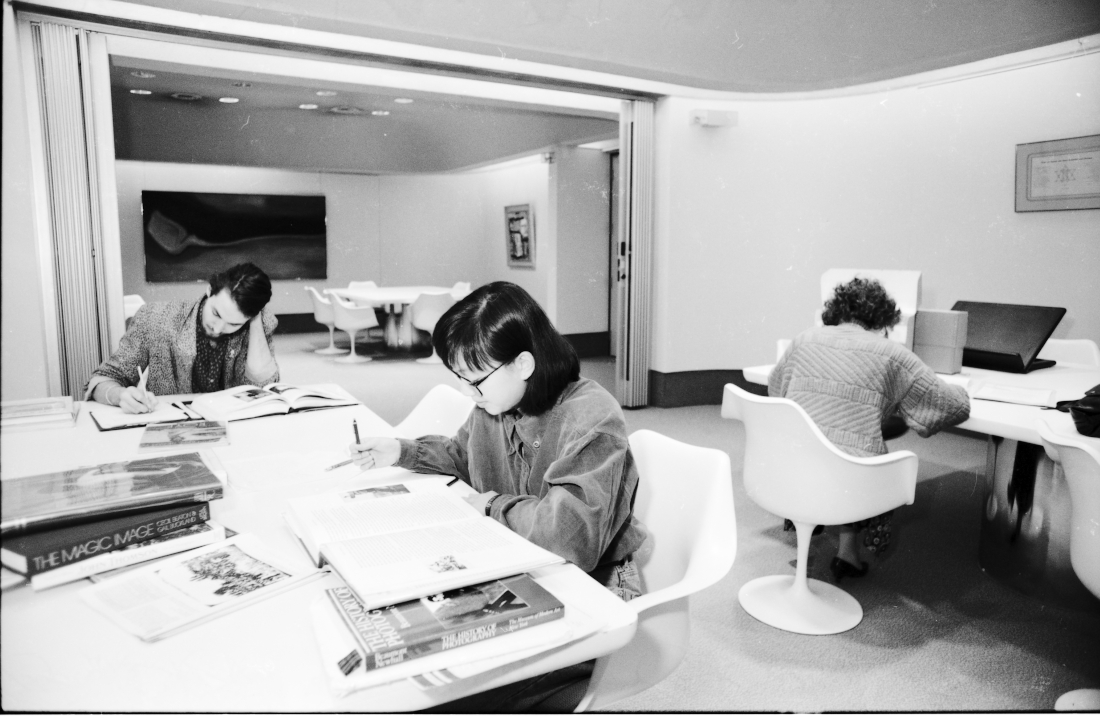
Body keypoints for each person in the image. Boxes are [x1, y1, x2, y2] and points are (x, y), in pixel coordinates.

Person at [349, 280, 647, 712]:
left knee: (450, 693)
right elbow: (461, 453)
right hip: (520, 563)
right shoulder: (495, 402)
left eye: (475, 380)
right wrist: (403, 450)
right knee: (421, 659)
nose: (469, 393)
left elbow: (571, 535)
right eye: (461, 380)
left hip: (592, 583)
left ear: (522, 364)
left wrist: (489, 506)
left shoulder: (590, 416)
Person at [769, 277, 970, 582]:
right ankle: (847, 554)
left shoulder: (803, 341)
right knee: (860, 448)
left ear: (836, 310)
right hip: (852, 481)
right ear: (883, 318)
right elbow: (951, 406)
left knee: (847, 438)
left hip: (795, 470)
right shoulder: (892, 354)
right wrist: (964, 390)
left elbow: (776, 392)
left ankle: (840, 549)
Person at [84, 262, 278, 414]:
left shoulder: (256, 327)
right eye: (216, 314)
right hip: (171, 430)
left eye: (233, 324)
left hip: (232, 433)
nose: (218, 328)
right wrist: (120, 396)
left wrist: (255, 319)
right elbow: (102, 379)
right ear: (209, 290)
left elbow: (264, 390)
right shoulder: (156, 319)